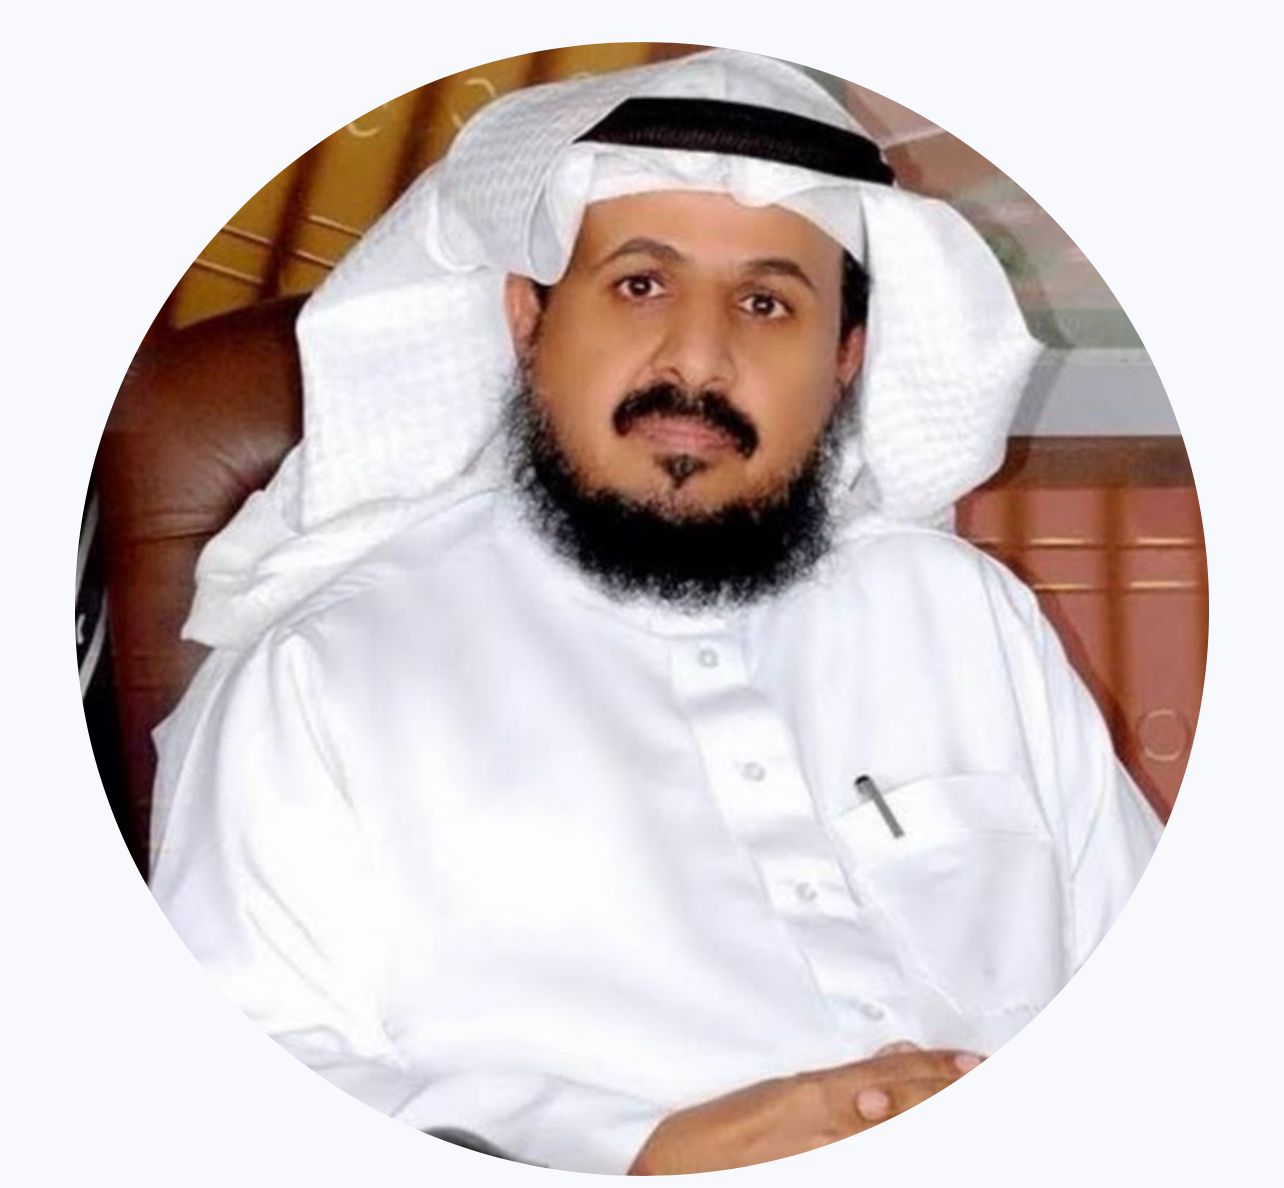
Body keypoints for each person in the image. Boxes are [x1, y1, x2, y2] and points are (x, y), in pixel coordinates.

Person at [148, 49, 1161, 1175]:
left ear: (846, 360)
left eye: (767, 303)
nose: (698, 358)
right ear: (527, 319)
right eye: (640, 285)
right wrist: (648, 1151)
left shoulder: (966, 618)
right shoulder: (325, 670)